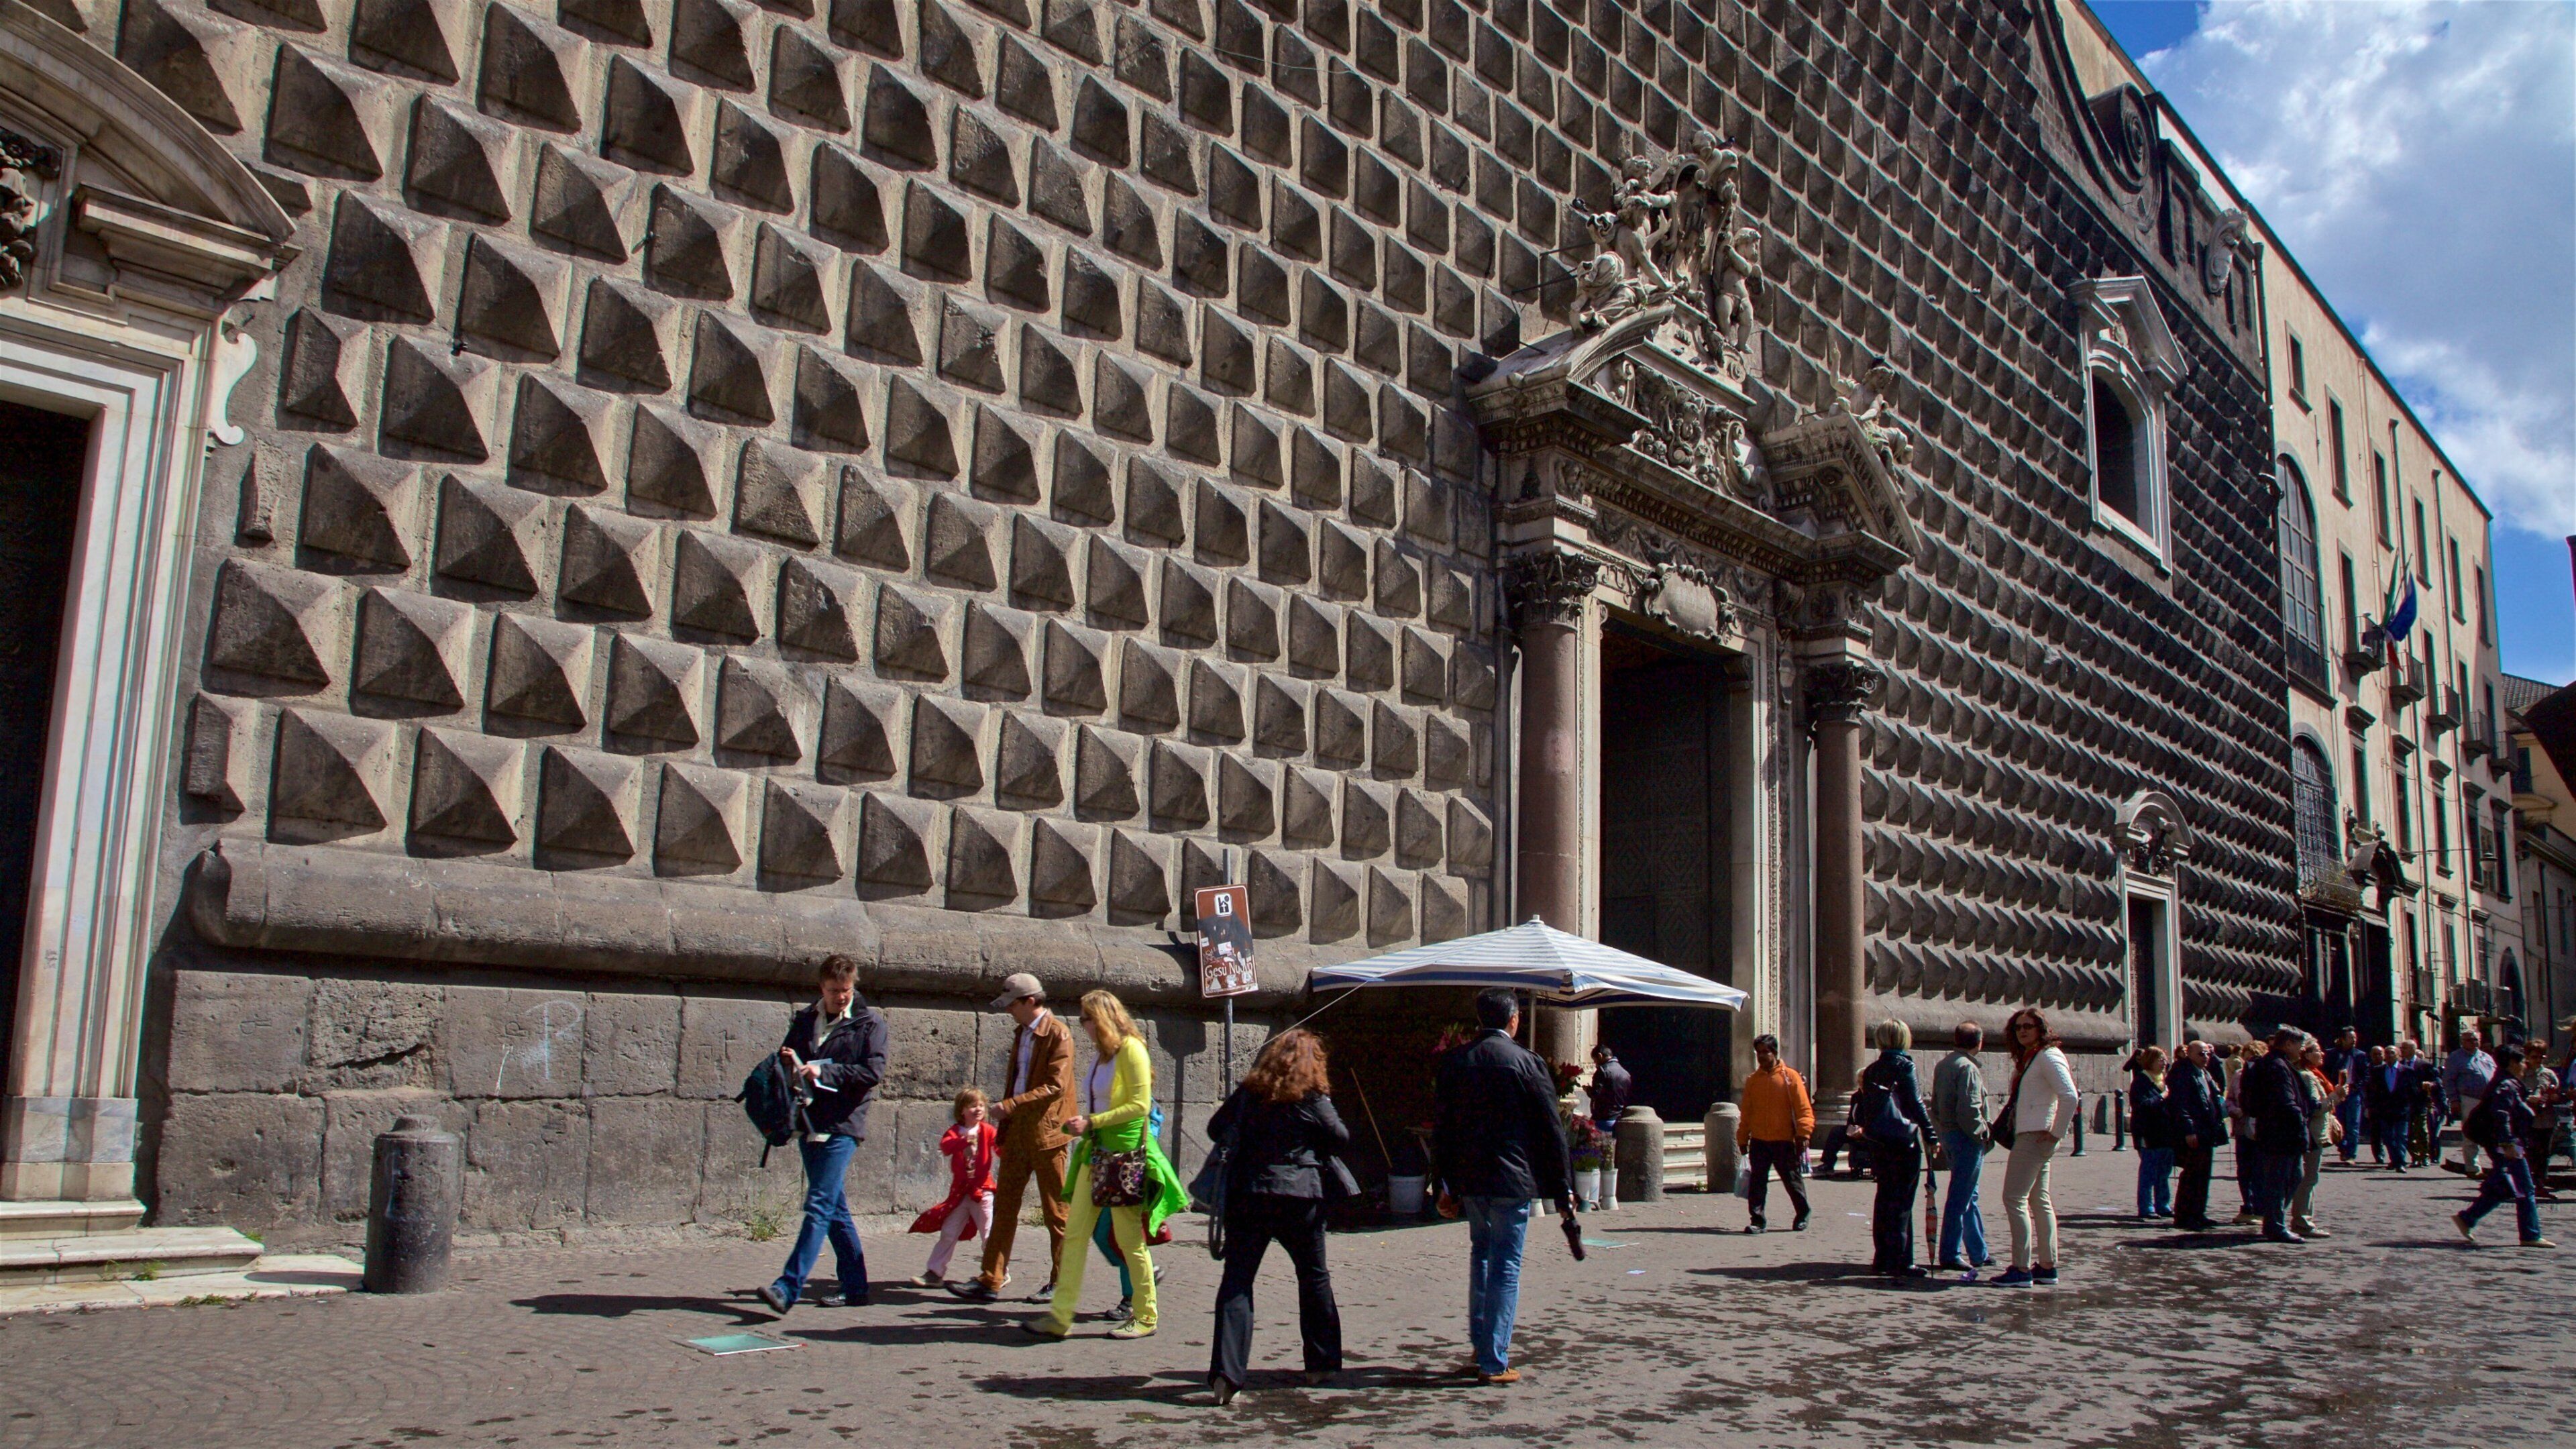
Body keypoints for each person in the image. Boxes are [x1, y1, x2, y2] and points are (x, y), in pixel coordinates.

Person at [1432, 987, 1573, 1385]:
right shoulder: (1526, 1062)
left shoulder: (1457, 1060)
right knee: (1506, 1265)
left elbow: (1443, 1128)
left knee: (1481, 1255)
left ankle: (1481, 1346)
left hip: (1471, 1178)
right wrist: (1562, 1188)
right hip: (1513, 1178)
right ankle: (1495, 1358)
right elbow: (1551, 1131)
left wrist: (1442, 1183)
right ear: (1514, 1019)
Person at [1025, 991, 1185, 1340]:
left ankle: (1146, 1316)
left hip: (1123, 1158)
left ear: (1101, 1019)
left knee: (1130, 1239)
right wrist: (1082, 1125)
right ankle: (1060, 1316)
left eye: (1086, 1018)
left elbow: (1140, 1106)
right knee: (1076, 1234)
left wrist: (1093, 1122)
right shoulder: (1102, 1055)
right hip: (1095, 1154)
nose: (1082, 1025)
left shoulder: (1132, 1050)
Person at [1206, 1030, 1350, 1405]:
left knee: (1237, 1281)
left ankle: (1226, 1375)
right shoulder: (1313, 1098)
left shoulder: (1249, 1094)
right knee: (1314, 1276)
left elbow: (1214, 1128)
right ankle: (1322, 1364)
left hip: (1250, 1194)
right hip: (1300, 1197)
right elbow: (1340, 1136)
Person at [756, 955, 890, 1316]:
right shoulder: (805, 1019)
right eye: (833, 992)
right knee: (833, 1208)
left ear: (854, 986)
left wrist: (820, 1073)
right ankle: (855, 1286)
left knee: (818, 1204)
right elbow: (790, 1056)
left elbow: (872, 1072)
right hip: (808, 1121)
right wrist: (789, 1063)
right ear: (822, 988)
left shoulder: (869, 1023)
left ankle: (788, 1287)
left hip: (843, 1124)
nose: (840, 998)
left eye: (846, 991)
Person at [959, 973, 1077, 1303]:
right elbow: (1018, 1080)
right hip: (1019, 1132)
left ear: (1029, 1002)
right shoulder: (1022, 1033)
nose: (1009, 1010)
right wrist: (1008, 1122)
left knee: (1057, 1212)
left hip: (1048, 1134)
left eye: (1013, 1004)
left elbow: (1055, 1086)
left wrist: (1009, 1106)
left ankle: (1061, 1282)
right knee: (1006, 1205)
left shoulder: (1058, 1034)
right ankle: (991, 1278)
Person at [1994, 1008, 2078, 1287]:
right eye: (2018, 1027)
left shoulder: (2048, 1056)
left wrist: (2056, 1134)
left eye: (2029, 1026)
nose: (2023, 1031)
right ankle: (2046, 1266)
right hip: (2031, 1134)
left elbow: (2069, 1096)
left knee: (2014, 1199)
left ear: (2041, 1028)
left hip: (2035, 1135)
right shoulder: (2031, 1058)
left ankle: (2020, 1268)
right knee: (2038, 1200)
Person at [1853, 1020, 1935, 1279]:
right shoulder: (1904, 1065)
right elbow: (1915, 1102)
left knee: (1884, 1197)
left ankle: (1882, 1256)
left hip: (1879, 1141)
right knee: (1903, 1202)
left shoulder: (1872, 1070)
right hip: (1903, 1142)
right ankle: (1902, 1259)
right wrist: (1930, 1133)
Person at [2453, 1066, 2557, 1248]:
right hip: (2508, 1145)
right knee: (2524, 1187)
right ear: (2513, 1062)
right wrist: (2508, 1142)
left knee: (2506, 1186)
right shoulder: (2507, 1085)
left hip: (2507, 1143)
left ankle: (2468, 1218)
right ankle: (2530, 1234)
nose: (2526, 1065)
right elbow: (2502, 1116)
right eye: (2524, 1060)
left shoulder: (2508, 1083)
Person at [911, 1088, 999, 1286]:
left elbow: (1000, 1148)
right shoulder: (955, 1131)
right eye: (973, 1106)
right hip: (960, 1193)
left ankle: (998, 1271)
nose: (978, 1109)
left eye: (981, 1105)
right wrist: (963, 1141)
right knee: (949, 1232)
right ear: (962, 1111)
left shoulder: (988, 1131)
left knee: (988, 1234)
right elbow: (946, 1146)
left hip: (982, 1191)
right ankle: (935, 1272)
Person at [1927, 1022, 1992, 1271]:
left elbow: (1936, 1105)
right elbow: (1970, 1109)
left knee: (1968, 1195)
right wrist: (1983, 1134)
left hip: (1950, 1135)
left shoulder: (1944, 1065)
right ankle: (1950, 1253)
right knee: (1960, 1197)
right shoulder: (1968, 1069)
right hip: (1966, 1138)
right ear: (1979, 1042)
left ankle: (1979, 1251)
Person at [1734, 1032, 1814, 1234]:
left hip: (1784, 1141)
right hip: (1760, 1141)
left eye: (1765, 1052)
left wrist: (1803, 1134)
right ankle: (1757, 1220)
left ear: (1775, 1053)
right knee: (1757, 1184)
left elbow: (1803, 1109)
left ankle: (1802, 1213)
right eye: (1758, 1053)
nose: (1761, 1057)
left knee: (1792, 1181)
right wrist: (1742, 1138)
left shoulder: (1790, 1077)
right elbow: (1747, 1113)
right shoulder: (1753, 1081)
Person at [2241, 1027, 2309, 1244]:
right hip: (2281, 1133)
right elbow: (2285, 1101)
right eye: (2299, 1045)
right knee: (2282, 1180)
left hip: (2275, 1131)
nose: (2302, 1049)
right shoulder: (2278, 1066)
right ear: (2288, 1044)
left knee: (2291, 1177)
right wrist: (2300, 1124)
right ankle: (2274, 1224)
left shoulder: (2276, 1063)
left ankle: (2273, 1219)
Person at [2167, 1038, 2228, 1232]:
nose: (2206, 1057)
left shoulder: (2204, 1072)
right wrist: (2189, 1130)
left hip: (2207, 1131)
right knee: (2192, 1175)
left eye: (2207, 1054)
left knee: (2203, 1175)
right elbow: (2180, 1104)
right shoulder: (2183, 1073)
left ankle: (2198, 1213)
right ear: (2189, 1053)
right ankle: (2185, 1215)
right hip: (2194, 1131)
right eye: (2201, 1054)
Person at [2288, 1038, 2339, 1238]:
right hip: (2312, 1134)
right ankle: (2302, 1220)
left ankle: (2301, 1219)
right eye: (2317, 1051)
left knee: (2306, 1177)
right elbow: (2315, 1108)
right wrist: (2335, 1097)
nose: (2322, 1054)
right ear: (2306, 1055)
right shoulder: (2308, 1077)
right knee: (2308, 1178)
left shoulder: (2312, 1074)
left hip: (2310, 1134)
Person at [2127, 1046, 2174, 1221]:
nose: (2164, 1063)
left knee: (2164, 1172)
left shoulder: (2165, 1080)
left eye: (2165, 1059)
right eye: (2160, 1059)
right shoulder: (2141, 1081)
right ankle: (2146, 1207)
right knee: (2149, 1173)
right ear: (2150, 1061)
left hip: (2166, 1133)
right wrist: (2162, 1096)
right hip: (2148, 1133)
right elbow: (2142, 1106)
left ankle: (2163, 1204)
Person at [2516, 1040, 2567, 1199]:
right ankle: (2525, 1184)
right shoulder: (2521, 1073)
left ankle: (2540, 1184)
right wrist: (2528, 1099)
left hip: (2546, 1120)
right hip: (2527, 1120)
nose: (2538, 1060)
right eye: (2535, 1057)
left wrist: (2553, 1097)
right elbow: (2515, 1093)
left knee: (2544, 1154)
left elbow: (2559, 1094)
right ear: (2528, 1057)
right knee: (2528, 1153)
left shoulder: (2549, 1074)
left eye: (2541, 1057)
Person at [2443, 1028, 2497, 1175]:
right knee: (2471, 1133)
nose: (2474, 1042)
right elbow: (2448, 1080)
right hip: (2469, 1099)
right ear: (2462, 1042)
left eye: (2476, 1039)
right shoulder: (2455, 1058)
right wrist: (2454, 1100)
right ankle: (2473, 1167)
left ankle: (2497, 1165)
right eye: (2470, 1040)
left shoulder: (2486, 1057)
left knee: (2492, 1133)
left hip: (2489, 1100)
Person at [2365, 1044, 2416, 1170]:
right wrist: (2371, 1107)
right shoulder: (2378, 1071)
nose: (2389, 1055)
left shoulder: (2407, 1071)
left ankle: (2400, 1163)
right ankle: (2395, 1160)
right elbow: (2372, 1091)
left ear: (2398, 1055)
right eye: (2387, 1053)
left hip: (2401, 1110)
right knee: (2388, 1138)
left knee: (2401, 1137)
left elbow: (2413, 1091)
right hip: (2384, 1110)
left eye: (2392, 1053)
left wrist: (2412, 1108)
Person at [2322, 1028, 2365, 1165]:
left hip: (2353, 1093)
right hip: (2337, 1092)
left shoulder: (2360, 1055)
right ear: (2342, 1039)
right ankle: (2343, 1147)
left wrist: (2357, 1087)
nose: (2354, 1040)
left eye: (2355, 1037)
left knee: (2353, 1124)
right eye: (2350, 1038)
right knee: (2339, 1122)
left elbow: (2365, 1075)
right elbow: (2326, 1073)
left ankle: (2351, 1154)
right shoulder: (2332, 1054)